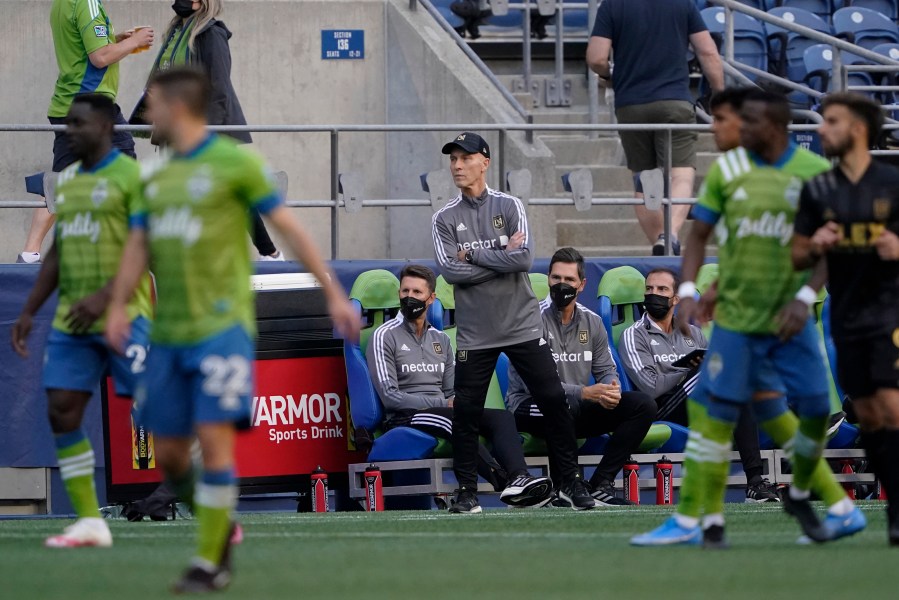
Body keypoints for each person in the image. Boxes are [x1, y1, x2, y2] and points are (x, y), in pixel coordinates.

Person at [103, 68, 359, 593]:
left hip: (220, 330)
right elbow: (138, 245)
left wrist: (332, 290)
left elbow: (288, 226)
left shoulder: (235, 163)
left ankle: (209, 559)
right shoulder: (152, 178)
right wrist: (117, 305)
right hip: (167, 335)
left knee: (214, 444)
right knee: (172, 455)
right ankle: (218, 522)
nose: (144, 116)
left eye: (150, 103)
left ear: (178, 107)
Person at [632, 89, 864, 549]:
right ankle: (694, 517)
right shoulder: (728, 172)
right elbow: (700, 235)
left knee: (817, 408)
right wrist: (690, 291)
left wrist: (802, 296)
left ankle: (817, 497)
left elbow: (828, 248)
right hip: (737, 322)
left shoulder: (814, 174)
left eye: (728, 120)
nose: (719, 129)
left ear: (768, 125)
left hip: (788, 319)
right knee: (713, 410)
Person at [10, 94, 152, 547]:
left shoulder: (133, 179)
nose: (70, 132)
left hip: (125, 318)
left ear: (109, 128)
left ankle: (213, 508)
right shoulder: (67, 181)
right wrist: (30, 308)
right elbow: (59, 251)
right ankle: (90, 521)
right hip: (75, 323)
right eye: (67, 124)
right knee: (62, 410)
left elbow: (144, 248)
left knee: (159, 416)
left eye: (80, 124)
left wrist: (105, 297)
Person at [432, 131, 593, 513]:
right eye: (453, 159)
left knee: (554, 401)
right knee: (467, 413)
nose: (457, 165)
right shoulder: (443, 218)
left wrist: (472, 256)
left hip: (522, 325)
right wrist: (497, 256)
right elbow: (451, 274)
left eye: (465, 158)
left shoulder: (511, 205)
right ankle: (468, 493)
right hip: (475, 333)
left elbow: (523, 261)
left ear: (484, 162)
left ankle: (569, 484)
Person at [792, 92, 899, 545]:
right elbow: (798, 255)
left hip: (891, 313)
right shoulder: (818, 189)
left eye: (831, 121)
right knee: (870, 415)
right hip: (847, 316)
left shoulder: (892, 183)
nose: (820, 129)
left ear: (856, 128)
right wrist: (815, 244)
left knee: (892, 408)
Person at [366, 264, 552, 509]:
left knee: (502, 418)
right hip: (404, 417)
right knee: (457, 420)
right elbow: (391, 397)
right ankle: (504, 481)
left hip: (446, 410)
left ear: (431, 298)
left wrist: (453, 402)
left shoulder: (441, 340)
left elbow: (452, 391)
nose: (409, 297)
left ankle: (520, 476)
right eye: (405, 291)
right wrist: (445, 403)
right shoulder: (384, 335)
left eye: (417, 293)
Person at [131, 0, 282, 261]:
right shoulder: (177, 33)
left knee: (232, 193)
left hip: (205, 130)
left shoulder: (210, 34)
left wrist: (204, 134)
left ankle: (269, 252)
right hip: (176, 129)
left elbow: (219, 86)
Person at [506, 248, 656, 506]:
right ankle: (570, 483)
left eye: (569, 280)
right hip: (528, 406)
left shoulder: (593, 322)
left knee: (642, 405)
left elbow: (606, 368)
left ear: (582, 285)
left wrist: (611, 388)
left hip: (574, 407)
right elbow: (536, 385)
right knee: (556, 403)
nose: (561, 285)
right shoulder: (530, 320)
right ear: (548, 278)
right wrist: (584, 393)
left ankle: (600, 483)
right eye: (555, 278)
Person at [619, 268, 779, 503]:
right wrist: (688, 369)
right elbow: (650, 388)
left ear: (675, 299)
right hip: (663, 410)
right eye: (649, 289)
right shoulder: (634, 335)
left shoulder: (692, 333)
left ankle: (755, 483)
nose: (654, 294)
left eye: (662, 289)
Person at [19, 0, 154, 264]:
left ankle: (29, 253)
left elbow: (84, 49)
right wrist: (135, 40)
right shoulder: (88, 2)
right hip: (92, 104)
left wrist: (116, 40)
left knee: (61, 179)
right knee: (126, 168)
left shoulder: (62, 3)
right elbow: (100, 57)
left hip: (67, 104)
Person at [586, 0, 724, 256]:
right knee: (680, 174)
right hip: (675, 102)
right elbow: (708, 53)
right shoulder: (683, 4)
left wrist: (609, 76)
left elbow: (596, 58)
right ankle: (669, 235)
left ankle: (660, 243)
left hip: (631, 104)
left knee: (643, 178)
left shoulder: (612, 6)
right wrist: (720, 95)